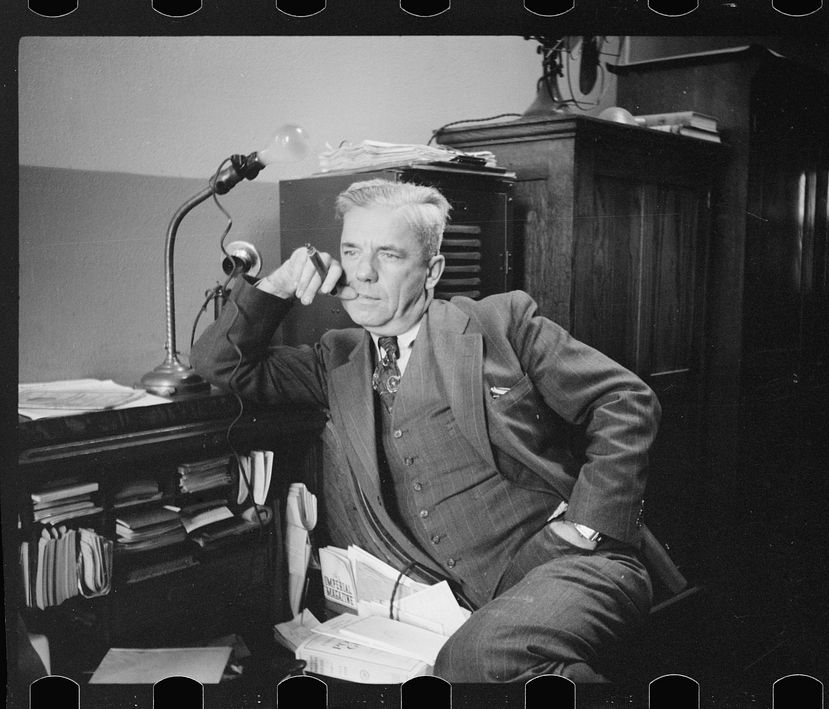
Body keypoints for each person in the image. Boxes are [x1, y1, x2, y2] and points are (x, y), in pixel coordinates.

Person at [191, 178, 662, 682]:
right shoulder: (336, 358)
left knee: (474, 659)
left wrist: (586, 527)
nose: (364, 272)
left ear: (432, 270)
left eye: (389, 255)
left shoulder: (501, 325)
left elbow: (626, 401)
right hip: (446, 605)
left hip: (573, 566)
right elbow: (220, 363)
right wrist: (281, 284)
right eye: (352, 250)